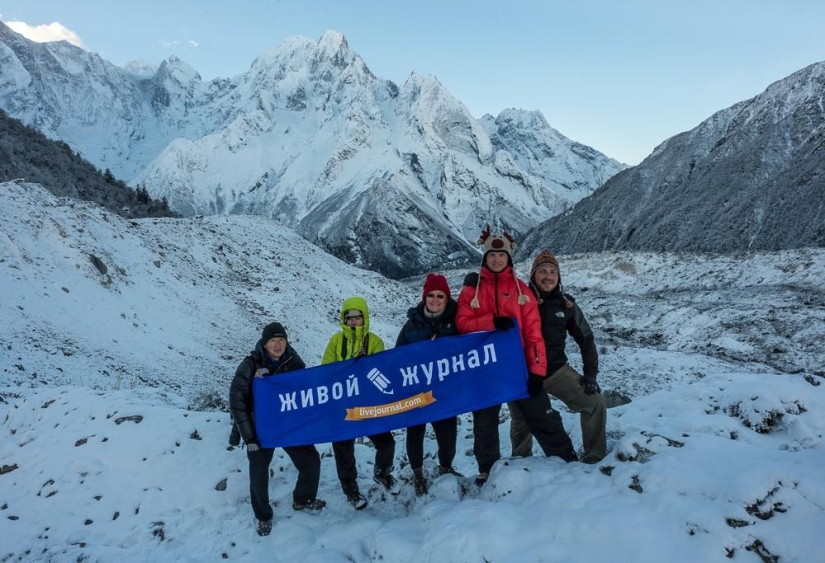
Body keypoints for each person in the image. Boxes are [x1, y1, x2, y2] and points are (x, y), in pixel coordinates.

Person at [457, 226, 577, 486]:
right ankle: (487, 470)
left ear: (508, 258)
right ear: (485, 258)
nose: (497, 259)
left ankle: (567, 460)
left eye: (502, 255)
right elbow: (462, 324)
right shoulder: (471, 290)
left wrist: (536, 371)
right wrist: (490, 322)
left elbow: (534, 334)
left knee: (542, 414)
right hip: (485, 367)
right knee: (485, 421)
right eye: (492, 255)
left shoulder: (522, 291)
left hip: (517, 366)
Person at [509, 250, 607, 463]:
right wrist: (475, 282)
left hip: (555, 371)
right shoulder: (519, 298)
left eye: (553, 272)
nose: (548, 276)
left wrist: (590, 374)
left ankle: (594, 458)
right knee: (521, 420)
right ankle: (520, 463)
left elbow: (586, 339)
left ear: (559, 276)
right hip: (523, 373)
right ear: (533, 275)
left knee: (594, 402)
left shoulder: (566, 304)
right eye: (542, 271)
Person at [229, 322, 325, 537]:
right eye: (272, 340)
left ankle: (303, 499)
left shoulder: (293, 360)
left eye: (281, 339)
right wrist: (249, 437)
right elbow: (237, 401)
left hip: (288, 425)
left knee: (311, 461)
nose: (277, 344)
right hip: (260, 428)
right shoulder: (250, 364)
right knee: (259, 472)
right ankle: (263, 516)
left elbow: (305, 391)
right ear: (264, 343)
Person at [322, 296, 396, 509]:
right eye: (350, 318)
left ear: (365, 318)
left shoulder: (375, 342)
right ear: (344, 319)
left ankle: (382, 473)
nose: (354, 321)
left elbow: (381, 369)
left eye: (358, 317)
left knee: (387, 443)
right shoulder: (336, 341)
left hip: (369, 406)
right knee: (343, 449)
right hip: (343, 407)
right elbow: (326, 370)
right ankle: (351, 490)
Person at [396, 274, 463, 495]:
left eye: (440, 296)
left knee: (448, 437)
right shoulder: (411, 324)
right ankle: (418, 475)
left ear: (447, 298)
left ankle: (445, 468)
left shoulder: (456, 321)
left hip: (444, 391)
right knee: (415, 434)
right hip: (416, 391)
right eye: (431, 295)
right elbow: (397, 356)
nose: (435, 299)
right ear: (425, 297)